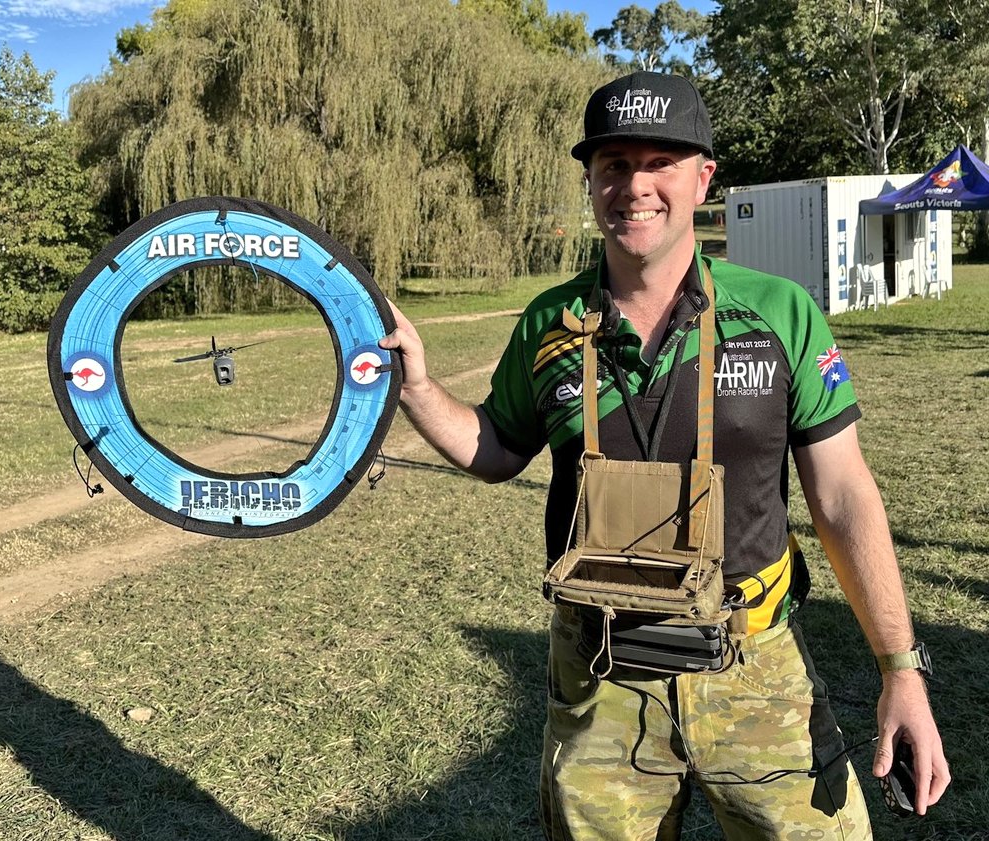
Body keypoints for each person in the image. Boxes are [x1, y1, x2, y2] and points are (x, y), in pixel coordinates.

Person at [379, 70, 950, 839]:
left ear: (704, 177)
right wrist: (418, 390)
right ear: (590, 179)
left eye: (660, 163)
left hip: (756, 670)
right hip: (600, 678)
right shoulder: (551, 322)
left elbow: (843, 494)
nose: (635, 186)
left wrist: (901, 670)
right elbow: (497, 447)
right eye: (614, 165)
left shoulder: (780, 313)